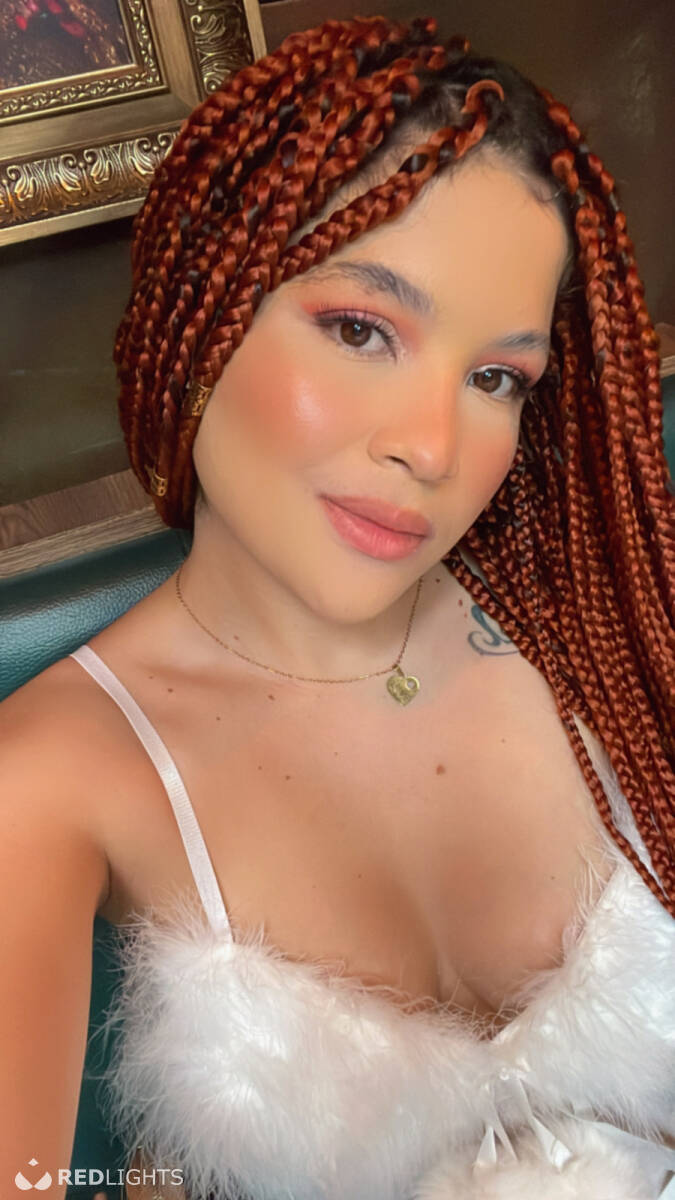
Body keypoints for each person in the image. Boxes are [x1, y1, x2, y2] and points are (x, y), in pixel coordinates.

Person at [1, 13, 673, 1200]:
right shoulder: (54, 774)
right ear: (201, 314)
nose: (432, 447)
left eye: (495, 377)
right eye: (362, 329)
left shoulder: (600, 618)